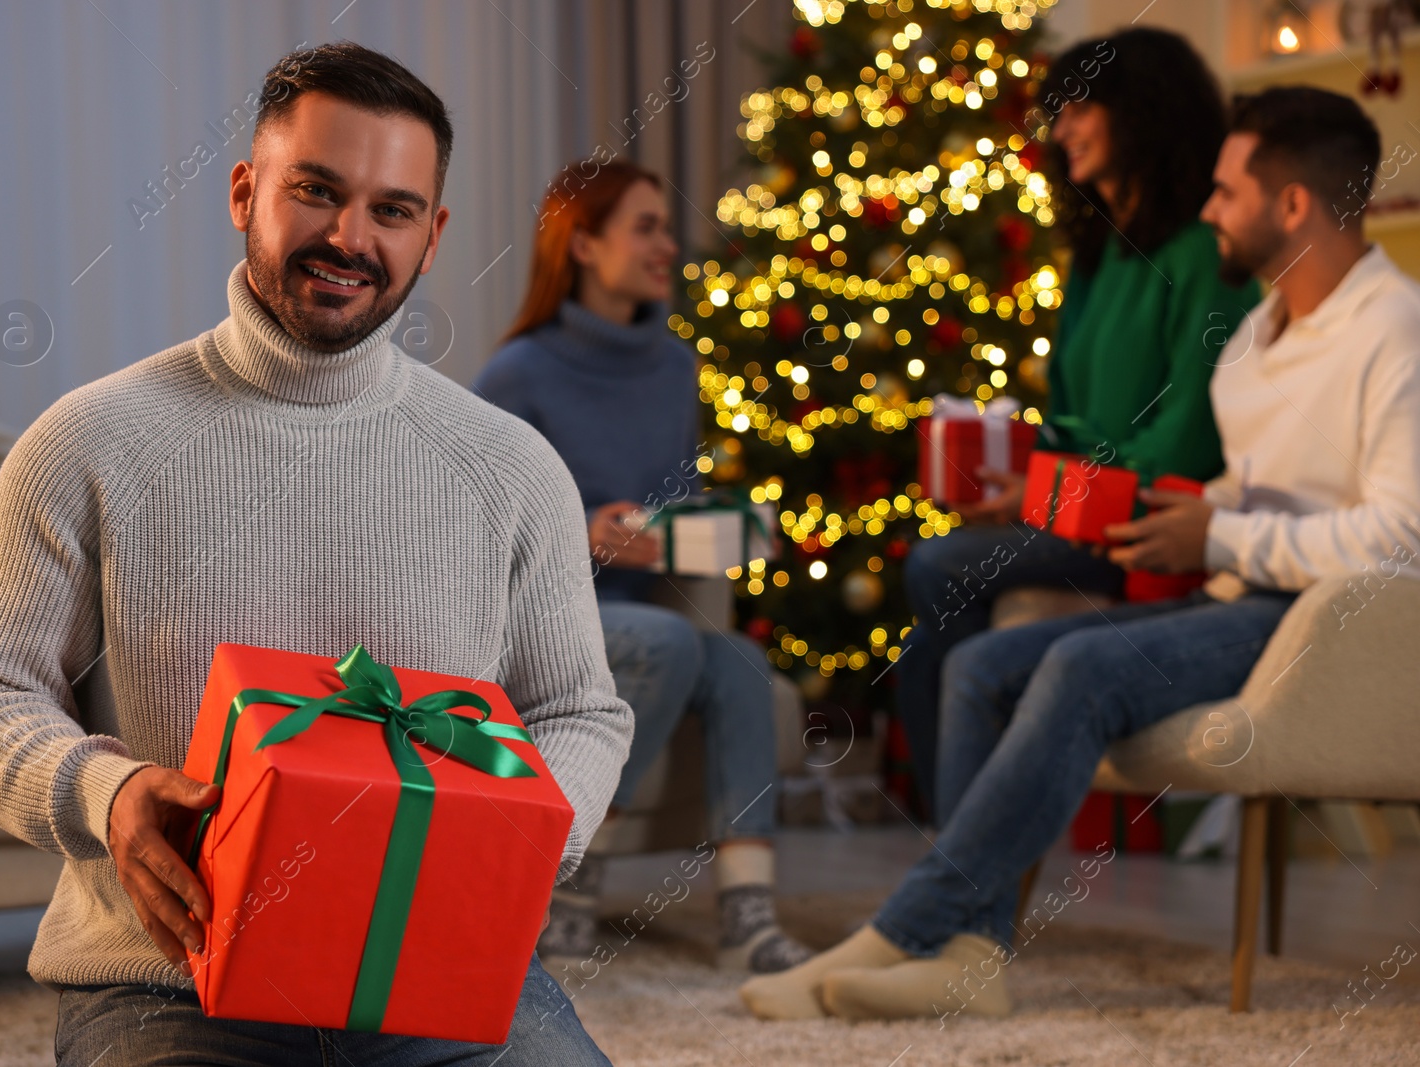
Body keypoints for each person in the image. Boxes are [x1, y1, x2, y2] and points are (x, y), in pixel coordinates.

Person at [0, 42, 629, 1066]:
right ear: (245, 192)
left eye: (391, 210)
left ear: (431, 240)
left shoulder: (509, 466)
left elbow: (579, 708)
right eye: (315, 191)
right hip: (167, 979)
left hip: (440, 969)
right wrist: (105, 792)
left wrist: (507, 847)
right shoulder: (86, 441)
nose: (348, 237)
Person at [741, 85, 1420, 1023]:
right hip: (1238, 593)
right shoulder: (1257, 336)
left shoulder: (1396, 329)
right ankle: (972, 953)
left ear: (1293, 205)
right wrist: (1182, 515)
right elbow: (1255, 488)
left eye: (1226, 192)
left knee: (1077, 662)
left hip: (1323, 623)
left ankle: (906, 928)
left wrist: (1215, 531)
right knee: (979, 667)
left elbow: (1399, 539)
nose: (1209, 210)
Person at [897, 27, 1260, 819]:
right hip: (1078, 506)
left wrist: (1041, 498)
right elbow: (1068, 418)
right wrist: (1022, 484)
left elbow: (1188, 440)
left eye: (1075, 109)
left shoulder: (1204, 252)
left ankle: (961, 854)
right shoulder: (1097, 256)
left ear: (1140, 111)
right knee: (924, 646)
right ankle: (959, 853)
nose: (1058, 133)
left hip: (1147, 514)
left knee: (934, 570)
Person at [474, 158, 811, 973]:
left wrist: (698, 531)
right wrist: (581, 531)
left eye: (667, 226)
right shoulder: (518, 373)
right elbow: (479, 533)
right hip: (542, 619)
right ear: (583, 243)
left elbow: (676, 502)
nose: (670, 244)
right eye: (647, 227)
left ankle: (747, 911)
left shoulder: (674, 367)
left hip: (644, 607)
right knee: (668, 641)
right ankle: (568, 879)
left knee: (739, 659)